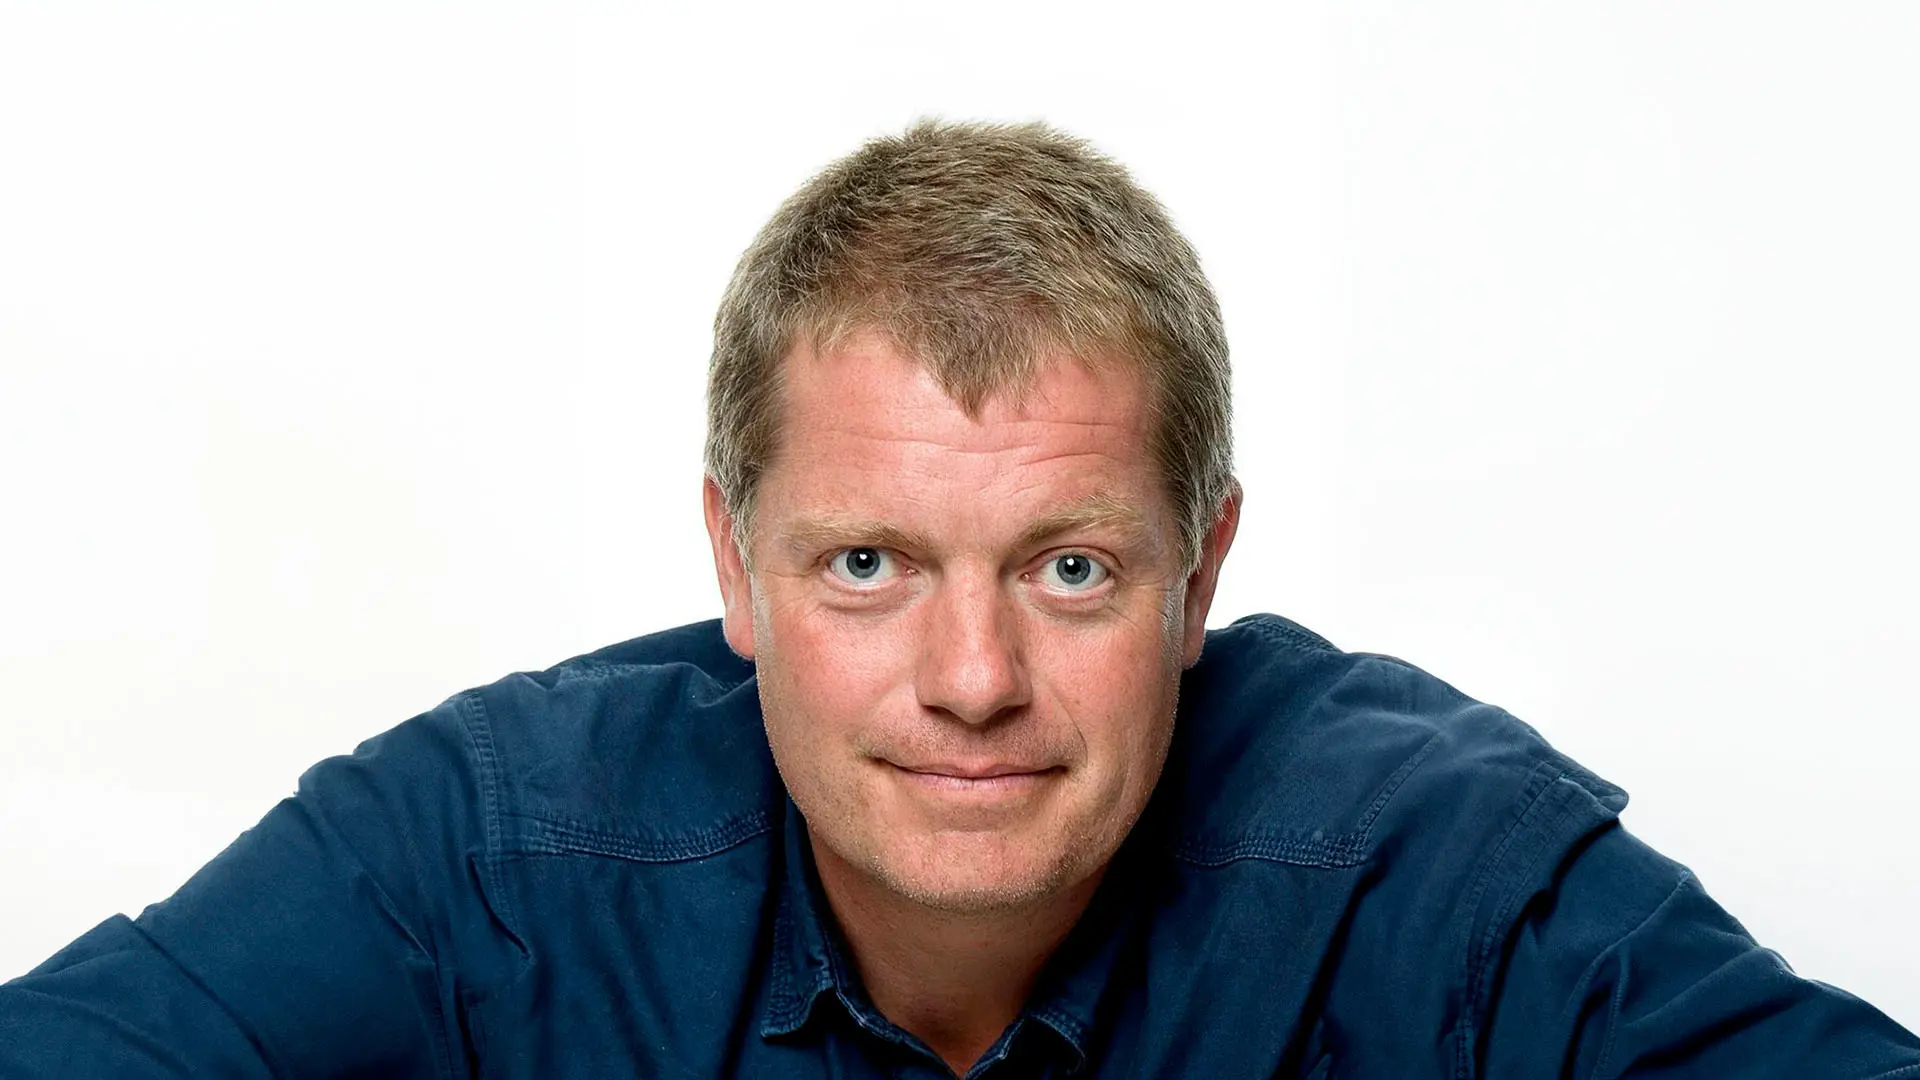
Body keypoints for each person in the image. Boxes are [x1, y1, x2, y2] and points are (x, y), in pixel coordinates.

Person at [1, 120, 1914, 1079]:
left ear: (1202, 573)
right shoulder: (492, 856)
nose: (974, 679)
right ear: (734, 563)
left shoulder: (1433, 875)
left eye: (1073, 569)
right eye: (869, 565)